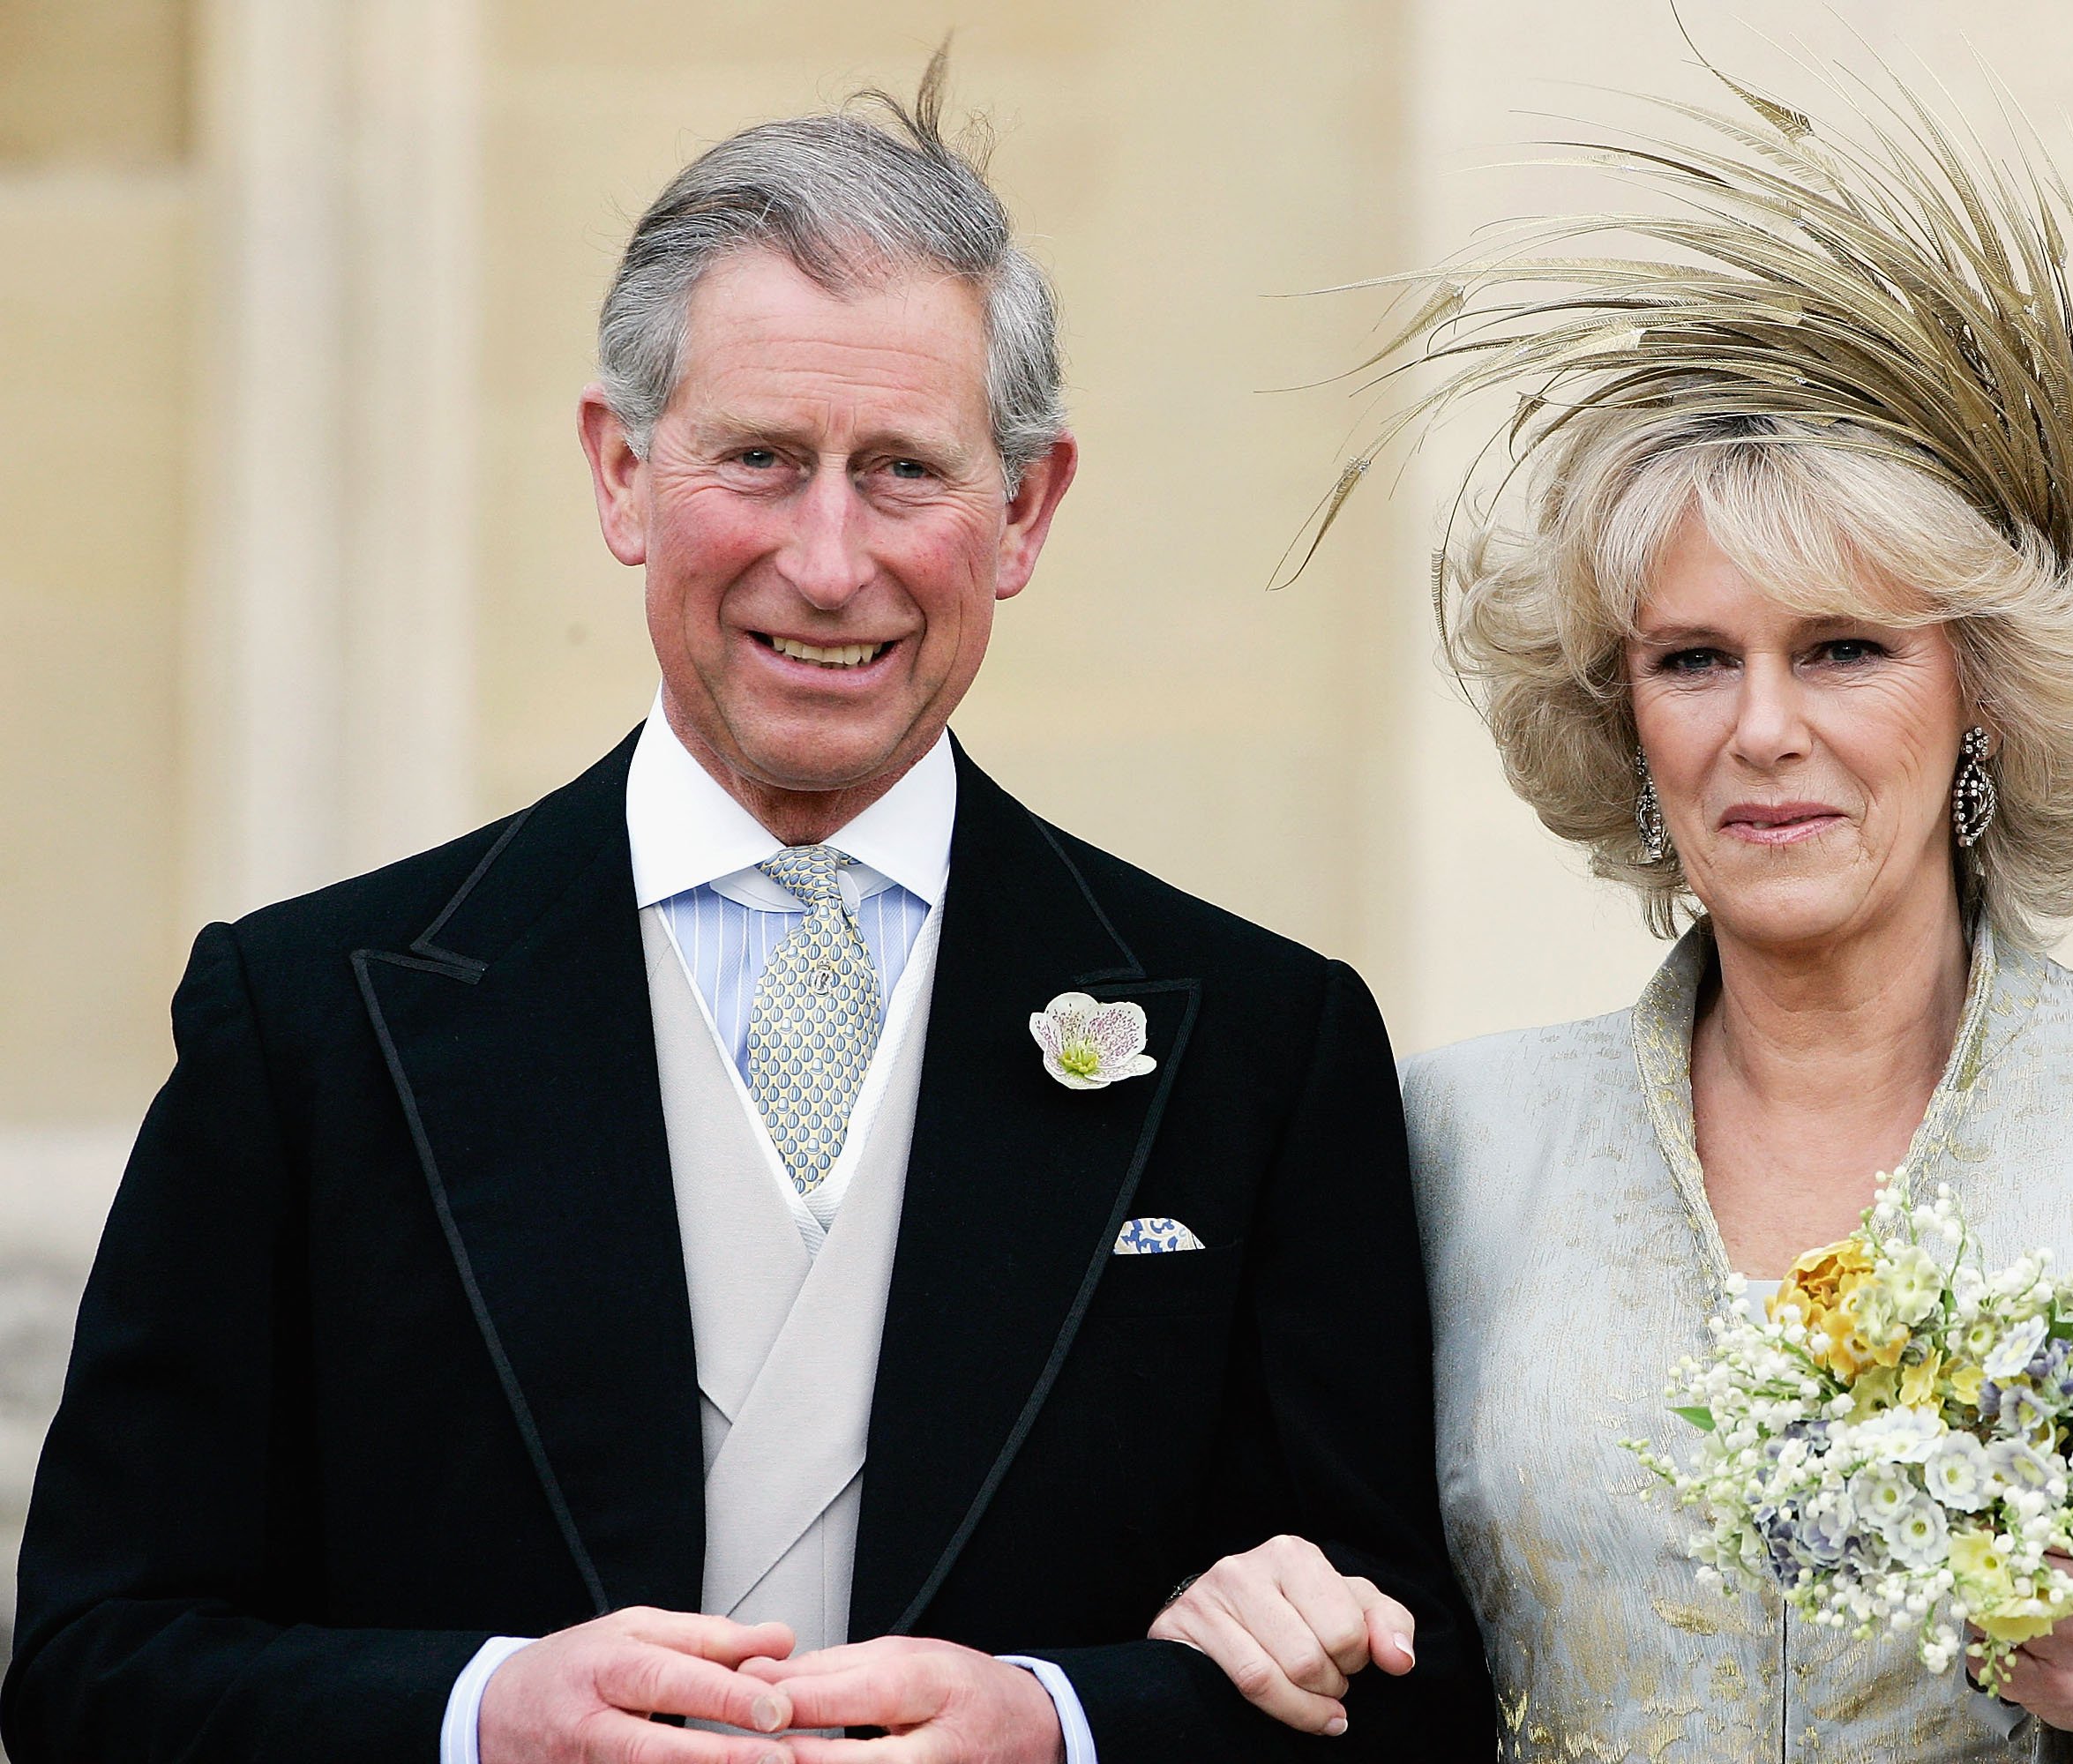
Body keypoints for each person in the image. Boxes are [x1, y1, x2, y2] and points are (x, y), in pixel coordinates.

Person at [2, 64, 1490, 1764]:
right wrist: (484, 1717)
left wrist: (1062, 1726)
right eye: (762, 460)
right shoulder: (309, 1021)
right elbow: (91, 1671)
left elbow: (1412, 1689)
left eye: (905, 471)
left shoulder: (1261, 1048)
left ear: (1029, 509)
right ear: (621, 474)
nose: (832, 559)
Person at [1158, 67, 2073, 1763]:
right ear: (1626, 719)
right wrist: (1230, 1605)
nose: (1761, 728)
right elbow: (1338, 1618)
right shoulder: (1452, 1136)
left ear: (1982, 696)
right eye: (1693, 661)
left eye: (1845, 649)